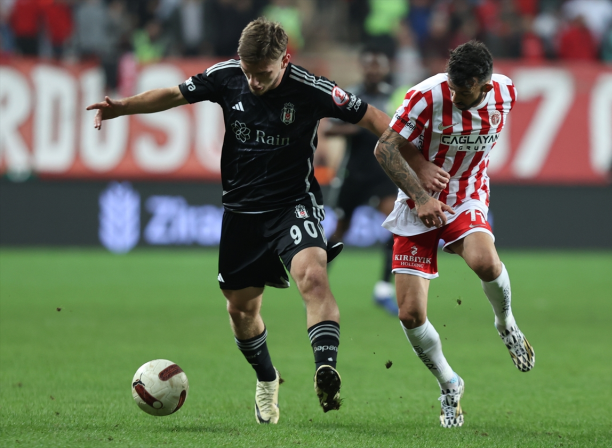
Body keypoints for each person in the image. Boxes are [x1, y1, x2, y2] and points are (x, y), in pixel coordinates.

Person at [87, 17, 393, 425]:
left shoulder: (311, 88)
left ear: (285, 60)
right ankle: (267, 379)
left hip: (293, 204)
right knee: (241, 311)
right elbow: (174, 95)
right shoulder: (228, 76)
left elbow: (374, 118)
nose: (253, 82)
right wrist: (123, 107)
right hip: (242, 212)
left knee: (314, 277)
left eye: (262, 73)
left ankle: (326, 368)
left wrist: (412, 160)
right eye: (248, 72)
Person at [374, 41, 535, 428]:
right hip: (417, 202)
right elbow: (384, 149)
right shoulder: (425, 95)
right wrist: (420, 189)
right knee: (411, 314)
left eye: (465, 93)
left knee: (484, 261)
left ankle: (506, 323)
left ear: (484, 84)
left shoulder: (507, 92)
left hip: (466, 193)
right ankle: (449, 383)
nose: (457, 98)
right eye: (454, 89)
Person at [324, 47, 399, 315]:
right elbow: (331, 128)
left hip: (383, 171)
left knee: (397, 224)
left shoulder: (395, 95)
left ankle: (383, 289)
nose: (374, 70)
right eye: (369, 65)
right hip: (354, 174)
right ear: (362, 67)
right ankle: (317, 282)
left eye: (378, 65)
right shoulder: (351, 95)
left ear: (385, 67)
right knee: (340, 229)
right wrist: (362, 126)